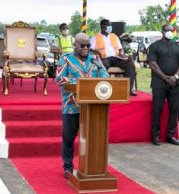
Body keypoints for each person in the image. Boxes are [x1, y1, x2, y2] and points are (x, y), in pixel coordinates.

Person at [55, 32, 109, 177]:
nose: (86, 48)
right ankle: (67, 167)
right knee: (69, 139)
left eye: (88, 45)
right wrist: (81, 84)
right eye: (82, 45)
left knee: (91, 139)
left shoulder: (95, 58)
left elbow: (105, 77)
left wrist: (100, 70)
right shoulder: (65, 59)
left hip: (93, 107)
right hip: (72, 106)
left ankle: (91, 168)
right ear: (75, 45)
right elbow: (60, 79)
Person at [147, 24, 179, 146]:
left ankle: (171, 135)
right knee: (157, 109)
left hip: (175, 82)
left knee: (174, 109)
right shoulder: (154, 46)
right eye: (167, 30)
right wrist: (165, 78)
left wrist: (175, 77)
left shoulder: (177, 46)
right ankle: (156, 136)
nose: (170, 32)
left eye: (171, 30)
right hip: (159, 82)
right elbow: (153, 64)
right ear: (162, 32)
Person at [91, 19, 137, 96]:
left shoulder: (114, 36)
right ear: (103, 26)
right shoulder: (95, 38)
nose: (110, 27)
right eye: (108, 25)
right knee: (101, 66)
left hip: (116, 58)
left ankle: (129, 89)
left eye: (110, 25)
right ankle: (100, 89)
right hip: (104, 58)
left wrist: (122, 54)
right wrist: (97, 53)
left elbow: (120, 48)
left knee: (130, 64)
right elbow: (91, 50)